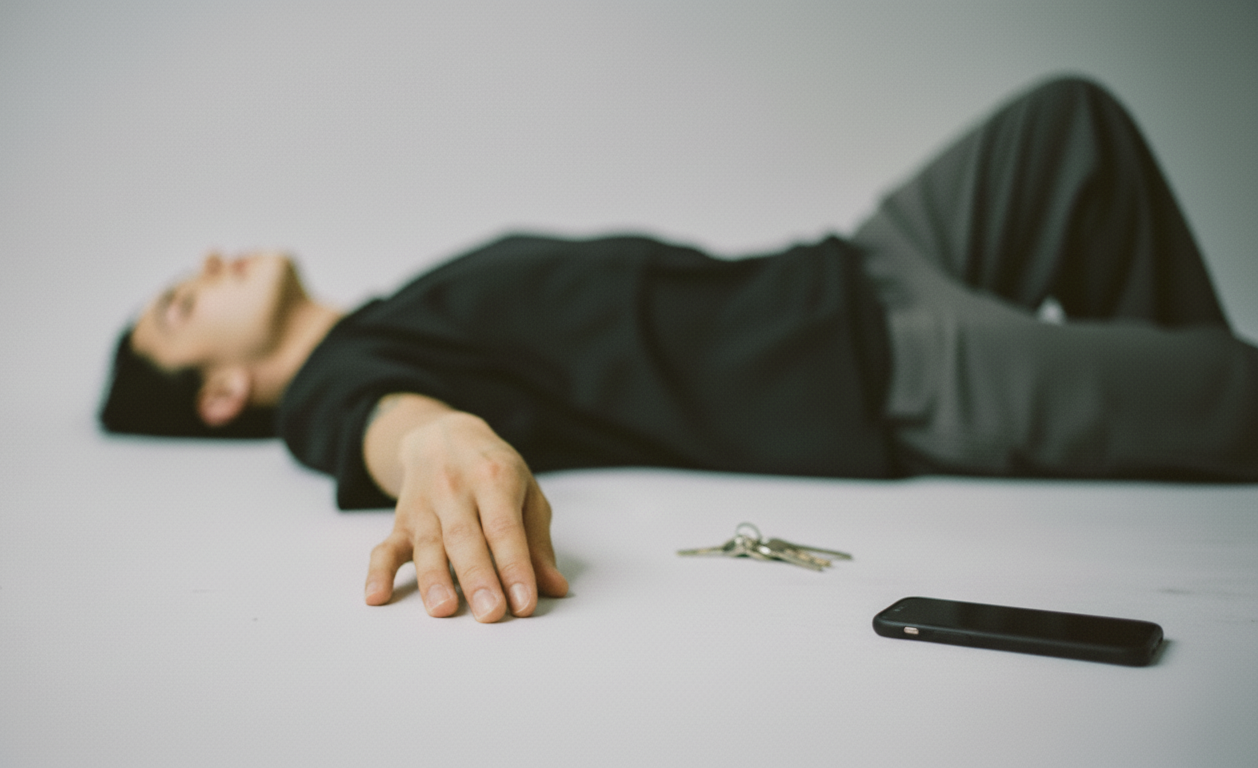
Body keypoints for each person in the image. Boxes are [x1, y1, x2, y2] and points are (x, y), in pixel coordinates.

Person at [99, 76, 1258, 624]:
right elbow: (377, 422)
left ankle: (1174, 417)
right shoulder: (344, 380)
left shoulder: (395, 305)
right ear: (220, 395)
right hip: (868, 363)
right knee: (1233, 397)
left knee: (1072, 125)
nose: (202, 267)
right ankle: (1192, 413)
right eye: (176, 306)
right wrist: (443, 449)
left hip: (859, 261)